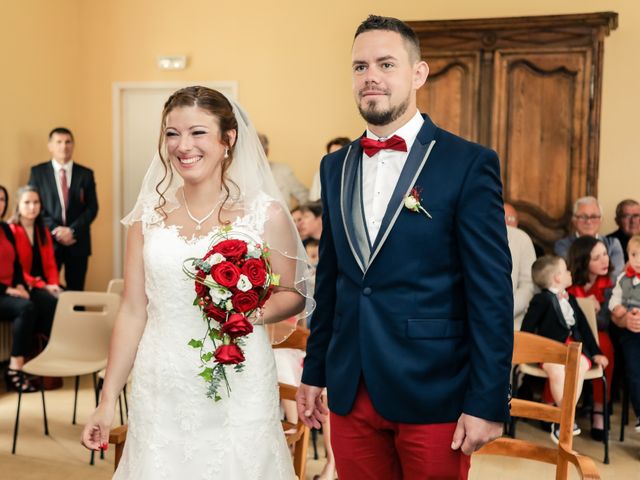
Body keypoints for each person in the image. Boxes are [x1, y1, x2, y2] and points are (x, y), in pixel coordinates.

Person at [296, 16, 513, 479]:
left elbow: (491, 293)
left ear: (418, 74)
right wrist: (314, 371)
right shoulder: (335, 166)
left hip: (434, 387)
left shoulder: (468, 163)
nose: (370, 76)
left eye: (386, 64)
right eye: (359, 67)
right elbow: (331, 279)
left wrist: (487, 400)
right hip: (351, 387)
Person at [81, 86, 313, 479]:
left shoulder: (265, 214)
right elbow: (134, 311)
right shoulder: (147, 218)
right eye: (172, 133)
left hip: (238, 377)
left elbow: (293, 295)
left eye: (197, 132)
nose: (182, 145)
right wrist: (106, 402)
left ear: (229, 139)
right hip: (161, 380)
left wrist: (247, 310)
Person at [521, 255, 608, 443]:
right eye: (566, 270)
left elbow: (585, 329)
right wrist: (528, 350)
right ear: (558, 277)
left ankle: (562, 419)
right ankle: (567, 419)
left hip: (576, 349)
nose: (570, 272)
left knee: (579, 368)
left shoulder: (572, 300)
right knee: (559, 372)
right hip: (551, 351)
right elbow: (527, 328)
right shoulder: (541, 300)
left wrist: (596, 352)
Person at [28, 127, 98, 290]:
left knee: (77, 294)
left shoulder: (86, 174)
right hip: (49, 242)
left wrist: (71, 231)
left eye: (68, 142)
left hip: (78, 241)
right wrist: (56, 230)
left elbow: (92, 208)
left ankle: (77, 317)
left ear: (73, 145)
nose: (63, 146)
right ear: (50, 146)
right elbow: (34, 205)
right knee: (47, 292)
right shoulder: (37, 172)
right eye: (58, 142)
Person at [567, 236, 615, 440]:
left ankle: (599, 409)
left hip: (599, 334)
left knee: (605, 345)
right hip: (573, 335)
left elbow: (607, 322)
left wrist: (595, 313)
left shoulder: (610, 285)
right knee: (566, 348)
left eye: (605, 254)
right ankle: (555, 406)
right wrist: (583, 304)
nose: (604, 261)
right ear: (584, 261)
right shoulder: (569, 284)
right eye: (597, 258)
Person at [0, 186, 38, 392]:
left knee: (34, 302)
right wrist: (7, 290)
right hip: (2, 292)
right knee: (26, 308)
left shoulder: (5, 228)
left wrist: (20, 285)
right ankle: (15, 368)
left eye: (2, 199)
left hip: (9, 289)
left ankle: (35, 366)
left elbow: (15, 264)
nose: (0, 203)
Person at [9, 186, 61, 337]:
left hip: (44, 284)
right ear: (18, 204)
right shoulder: (11, 229)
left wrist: (54, 285)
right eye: (27, 202)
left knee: (71, 299)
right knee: (51, 303)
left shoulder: (42, 230)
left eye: (36, 202)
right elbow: (15, 268)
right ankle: (46, 347)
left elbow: (51, 263)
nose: (32, 207)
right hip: (24, 284)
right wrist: (43, 286)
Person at [609, 234, 640, 433]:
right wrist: (618, 309)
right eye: (634, 255)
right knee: (634, 372)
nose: (637, 260)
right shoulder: (623, 278)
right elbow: (614, 300)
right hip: (631, 334)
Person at [555, 196, 624, 278]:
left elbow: (615, 277)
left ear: (601, 220)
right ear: (574, 220)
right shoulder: (563, 245)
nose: (588, 221)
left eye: (594, 216)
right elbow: (573, 274)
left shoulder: (612, 244)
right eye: (583, 217)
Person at [504, 202, 536, 329]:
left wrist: (505, 310)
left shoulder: (521, 238)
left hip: (513, 323)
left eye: (510, 218)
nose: (506, 222)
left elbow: (529, 284)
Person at [259, 132, 309, 209]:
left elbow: (305, 197)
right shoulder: (239, 175)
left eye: (260, 148)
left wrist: (298, 217)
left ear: (267, 151)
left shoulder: (283, 171)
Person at [309, 137, 351, 201]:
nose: (335, 158)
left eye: (339, 154)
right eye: (332, 154)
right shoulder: (320, 174)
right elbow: (314, 200)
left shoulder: (357, 173)